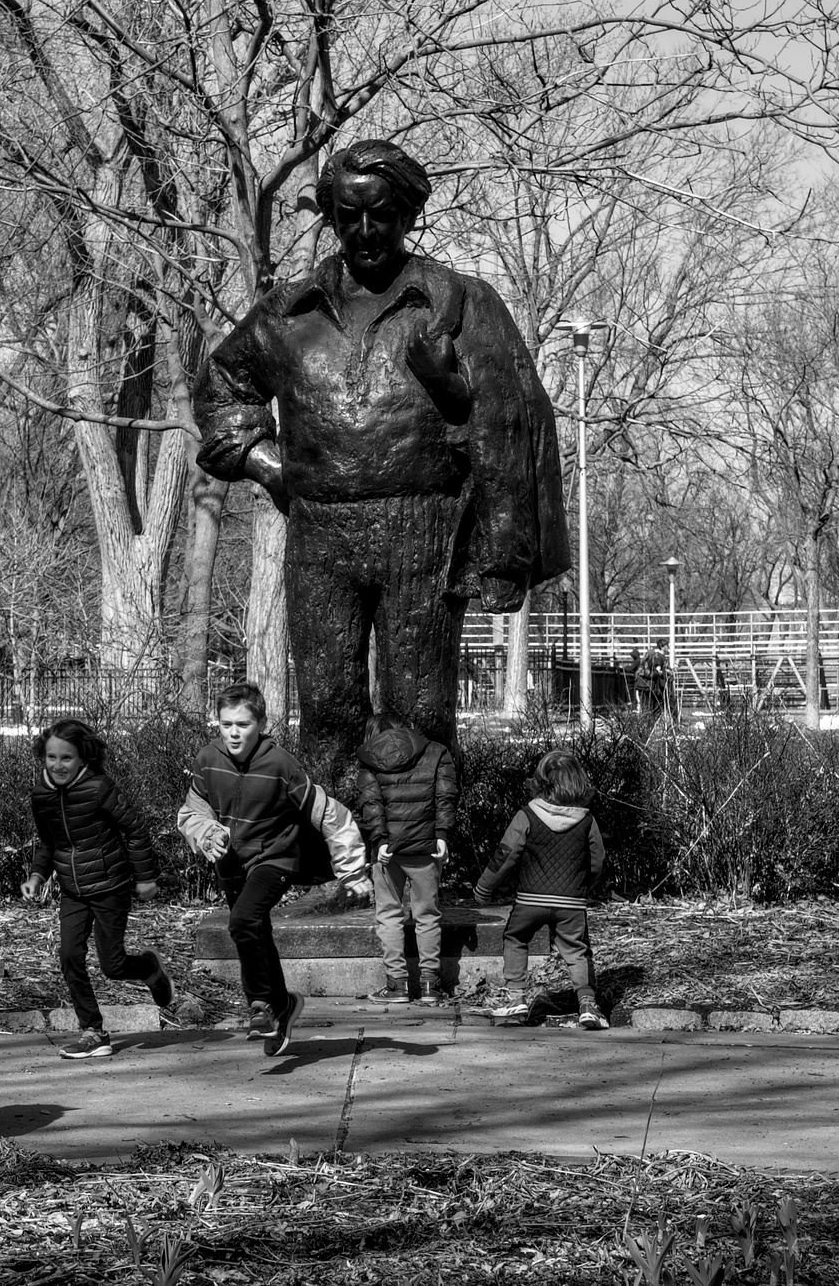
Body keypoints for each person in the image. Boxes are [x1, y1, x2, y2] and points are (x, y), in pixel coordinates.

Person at [194, 139, 569, 780]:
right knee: (328, 708)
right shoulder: (288, 312)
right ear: (331, 217)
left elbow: (508, 423)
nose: (364, 231)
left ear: (408, 214)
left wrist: (505, 555)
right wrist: (267, 464)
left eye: (382, 214)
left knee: (419, 710)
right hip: (320, 529)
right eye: (347, 215)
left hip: (422, 526)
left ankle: (416, 860)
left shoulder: (458, 303)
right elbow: (222, 390)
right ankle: (337, 858)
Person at [175, 682, 369, 1057]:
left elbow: (329, 814)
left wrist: (352, 871)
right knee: (255, 932)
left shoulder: (280, 763)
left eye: (243, 724)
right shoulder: (207, 759)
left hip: (276, 857)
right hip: (230, 859)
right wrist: (208, 833)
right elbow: (192, 811)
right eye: (226, 723)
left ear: (260, 723)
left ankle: (261, 1006)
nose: (233, 732)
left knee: (243, 922)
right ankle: (282, 1007)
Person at [20, 718, 173, 1059]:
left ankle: (148, 968)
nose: (58, 765)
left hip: (109, 886)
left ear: (83, 758)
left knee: (113, 965)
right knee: (69, 956)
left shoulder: (99, 787)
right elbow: (48, 842)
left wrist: (145, 877)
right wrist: (37, 876)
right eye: (51, 757)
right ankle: (94, 1031)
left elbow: (136, 830)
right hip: (72, 889)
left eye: (66, 758)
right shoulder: (41, 795)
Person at [473, 749, 610, 1029]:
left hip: (530, 901)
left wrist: (483, 889)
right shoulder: (587, 821)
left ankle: (515, 998)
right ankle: (587, 1004)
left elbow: (504, 855)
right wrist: (584, 887)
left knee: (515, 938)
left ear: (540, 783)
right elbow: (598, 861)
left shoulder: (526, 815)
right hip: (571, 903)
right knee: (576, 951)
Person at [353, 712, 457, 1005]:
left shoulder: (369, 756)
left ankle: (397, 985)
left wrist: (379, 840)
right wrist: (442, 834)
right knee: (427, 915)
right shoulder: (436, 751)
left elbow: (370, 803)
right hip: (426, 848)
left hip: (388, 852)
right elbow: (445, 796)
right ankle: (429, 986)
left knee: (388, 914)